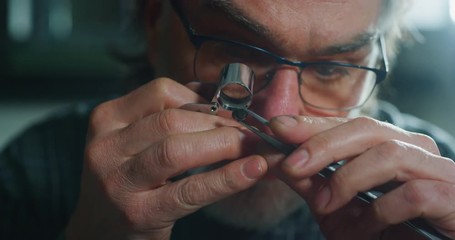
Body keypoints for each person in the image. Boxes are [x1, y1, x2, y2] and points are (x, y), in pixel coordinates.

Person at [2, 0, 455, 239]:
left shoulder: (436, 190)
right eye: (237, 52)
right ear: (154, 18)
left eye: (331, 69)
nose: (278, 114)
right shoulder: (37, 174)